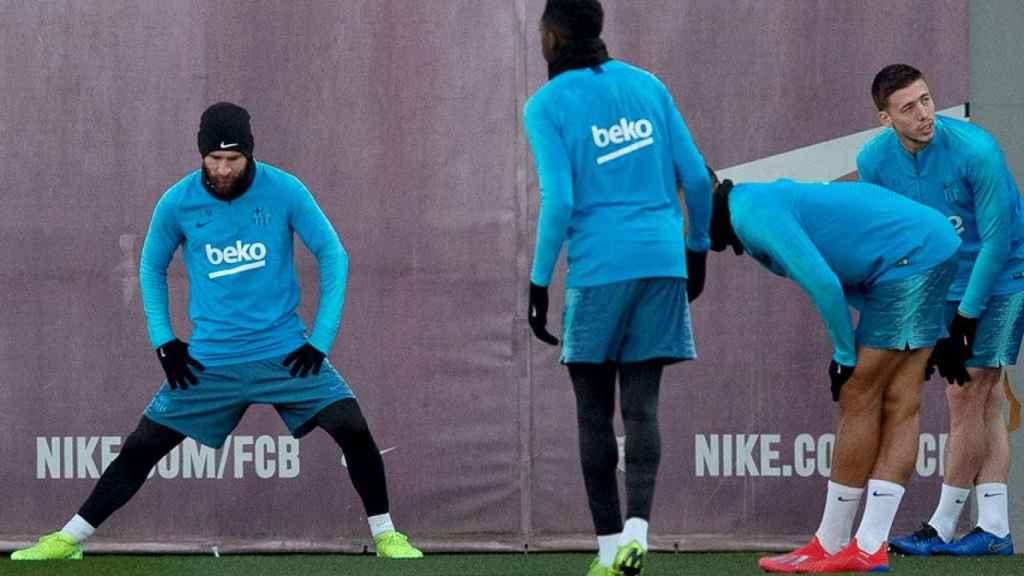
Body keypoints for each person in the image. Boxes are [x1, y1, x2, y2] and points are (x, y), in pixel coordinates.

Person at [11, 102, 423, 561]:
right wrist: (164, 341)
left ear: (250, 154)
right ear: (201, 155)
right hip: (211, 361)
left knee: (351, 425)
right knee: (142, 446)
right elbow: (151, 266)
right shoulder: (178, 202)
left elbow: (333, 254)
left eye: (234, 159)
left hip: (285, 352)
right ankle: (67, 540)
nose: (223, 169)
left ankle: (387, 536)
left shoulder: (285, 190)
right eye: (214, 159)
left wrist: (319, 341)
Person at [524, 2, 712, 574]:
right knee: (641, 408)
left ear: (552, 37)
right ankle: (639, 532)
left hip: (600, 268)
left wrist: (537, 282)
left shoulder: (546, 104)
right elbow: (698, 177)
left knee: (592, 413)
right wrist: (696, 249)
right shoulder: (648, 86)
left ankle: (608, 552)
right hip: (661, 261)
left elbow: (560, 201)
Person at [703, 176, 961, 573]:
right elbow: (846, 265)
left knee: (859, 391)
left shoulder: (750, 212)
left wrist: (844, 352)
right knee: (901, 399)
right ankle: (863, 546)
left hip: (913, 257)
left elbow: (824, 281)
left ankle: (836, 543)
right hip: (926, 248)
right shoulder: (749, 205)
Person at [858, 64, 1024, 557]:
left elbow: (996, 242)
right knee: (982, 397)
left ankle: (943, 525)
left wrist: (966, 320)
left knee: (965, 392)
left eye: (927, 99)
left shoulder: (977, 151)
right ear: (884, 118)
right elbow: (894, 237)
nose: (925, 114)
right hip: (942, 280)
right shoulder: (873, 161)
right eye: (908, 108)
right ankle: (993, 527)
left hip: (1005, 273)